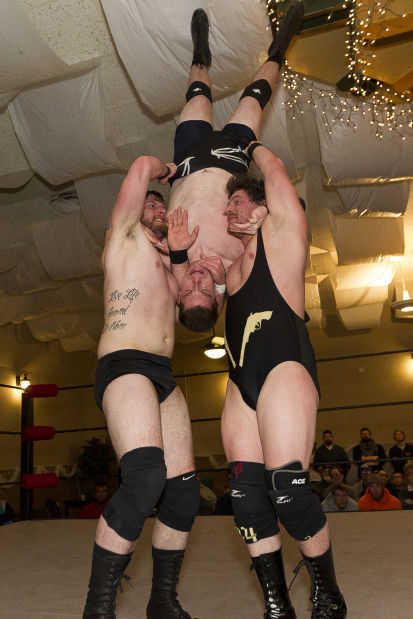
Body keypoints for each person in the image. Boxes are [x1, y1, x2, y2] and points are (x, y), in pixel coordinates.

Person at [219, 146, 346, 615]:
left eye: (235, 202)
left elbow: (274, 175)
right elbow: (192, 313)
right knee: (245, 496)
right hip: (239, 382)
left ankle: (328, 594)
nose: (228, 210)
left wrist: (249, 147)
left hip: (284, 368)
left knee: (289, 492)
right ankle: (277, 603)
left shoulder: (285, 233)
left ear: (262, 205)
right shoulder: (230, 269)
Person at [82, 157, 200, 619]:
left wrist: (182, 251)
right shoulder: (123, 236)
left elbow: (191, 316)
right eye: (150, 202)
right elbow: (138, 169)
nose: (156, 206)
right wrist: (166, 169)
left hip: (162, 372)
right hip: (124, 361)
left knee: (184, 491)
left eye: (161, 205)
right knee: (146, 478)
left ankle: (162, 600)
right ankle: (98, 609)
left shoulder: (167, 259)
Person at [167, 3, 305, 331]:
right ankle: (279, 50)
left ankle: (200, 54)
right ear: (218, 298)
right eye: (202, 290)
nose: (195, 282)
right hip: (232, 159)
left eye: (188, 290)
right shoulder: (236, 267)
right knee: (252, 101)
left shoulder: (180, 265)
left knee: (198, 100)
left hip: (188, 160)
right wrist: (261, 220)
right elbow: (278, 239)